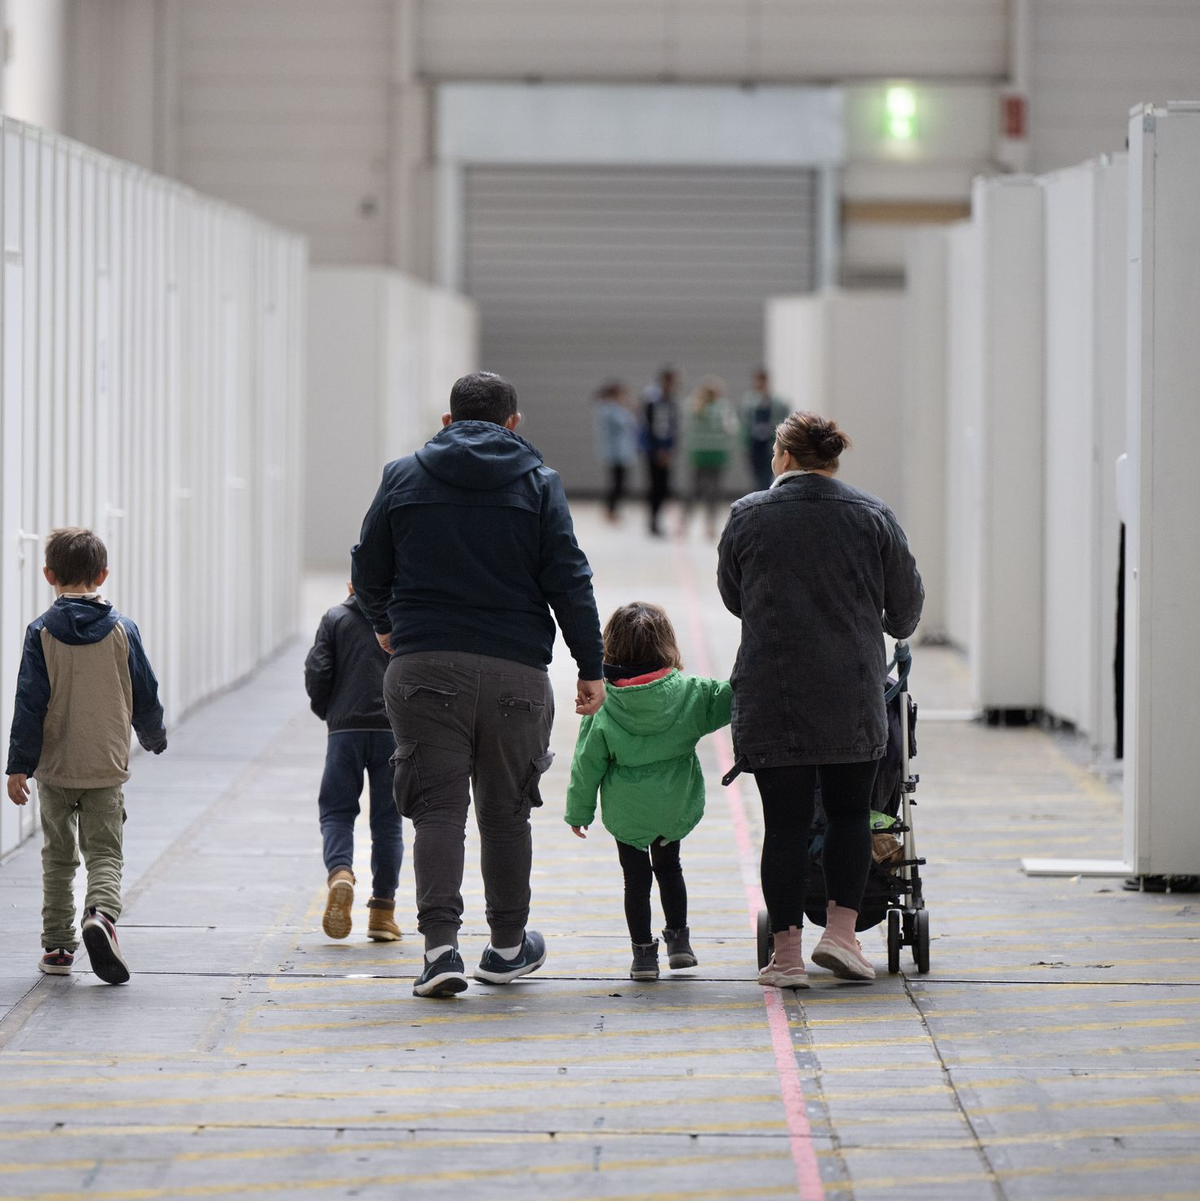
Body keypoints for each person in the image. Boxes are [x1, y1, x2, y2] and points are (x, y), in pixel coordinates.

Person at [351, 371, 605, 998]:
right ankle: (508, 949)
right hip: (516, 672)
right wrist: (591, 667)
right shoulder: (538, 484)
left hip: (423, 667)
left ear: (447, 421)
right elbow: (569, 580)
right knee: (506, 813)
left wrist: (385, 625)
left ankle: (440, 953)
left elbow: (367, 565)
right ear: (513, 423)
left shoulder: (402, 475)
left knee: (436, 810)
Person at [717, 413, 923, 988]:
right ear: (832, 459)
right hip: (850, 691)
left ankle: (785, 958)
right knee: (850, 814)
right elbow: (905, 611)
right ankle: (841, 935)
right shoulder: (872, 515)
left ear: (782, 455)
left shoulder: (748, 515)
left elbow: (735, 598)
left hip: (772, 692)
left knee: (784, 825)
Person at [5, 528, 167, 984]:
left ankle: (57, 947)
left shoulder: (40, 632)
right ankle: (101, 915)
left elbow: (29, 702)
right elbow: (144, 690)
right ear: (103, 574)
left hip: (55, 769)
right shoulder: (123, 629)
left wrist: (19, 765)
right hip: (105, 764)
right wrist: (153, 736)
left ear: (48, 574)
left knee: (58, 856)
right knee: (105, 854)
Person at [564, 602, 731, 981]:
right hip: (673, 804)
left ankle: (642, 955)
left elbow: (586, 764)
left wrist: (579, 812)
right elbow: (731, 698)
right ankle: (680, 943)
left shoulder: (603, 703)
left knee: (635, 880)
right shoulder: (691, 692)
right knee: (670, 869)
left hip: (627, 810)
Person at [304, 583, 404, 943]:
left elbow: (317, 672)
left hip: (345, 731)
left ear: (351, 584)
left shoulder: (335, 619)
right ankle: (382, 912)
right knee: (388, 823)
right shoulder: (403, 620)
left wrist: (330, 712)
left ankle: (341, 873)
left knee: (336, 811)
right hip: (392, 732)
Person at [681, 376, 738, 539]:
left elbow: (686, 428)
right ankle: (710, 526)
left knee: (693, 488)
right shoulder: (723, 407)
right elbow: (732, 428)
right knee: (713, 491)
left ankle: (684, 522)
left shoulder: (692, 406)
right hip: (717, 453)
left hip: (698, 453)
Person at [640, 366, 680, 537]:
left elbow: (673, 427)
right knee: (654, 487)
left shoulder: (671, 401)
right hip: (653, 451)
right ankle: (652, 521)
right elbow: (648, 427)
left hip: (666, 450)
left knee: (663, 487)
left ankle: (658, 519)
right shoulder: (652, 400)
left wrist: (669, 449)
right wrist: (656, 450)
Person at [592, 379, 639, 522]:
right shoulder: (609, 408)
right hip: (615, 452)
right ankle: (610, 510)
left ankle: (613, 509)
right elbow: (625, 422)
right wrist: (627, 408)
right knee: (617, 483)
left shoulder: (611, 408)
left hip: (620, 452)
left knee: (619, 483)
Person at [740, 369, 791, 493]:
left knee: (767, 474)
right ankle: (758, 494)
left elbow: (784, 413)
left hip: (769, 443)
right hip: (754, 444)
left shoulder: (775, 401)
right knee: (755, 473)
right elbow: (744, 423)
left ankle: (764, 494)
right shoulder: (749, 401)